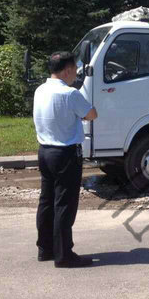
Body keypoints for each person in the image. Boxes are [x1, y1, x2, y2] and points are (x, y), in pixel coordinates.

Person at [34, 51, 98, 268]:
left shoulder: (40, 90)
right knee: (64, 204)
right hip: (65, 154)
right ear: (67, 70)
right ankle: (64, 255)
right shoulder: (70, 94)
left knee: (47, 201)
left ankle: (45, 248)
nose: (76, 76)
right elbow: (91, 114)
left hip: (45, 151)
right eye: (75, 71)